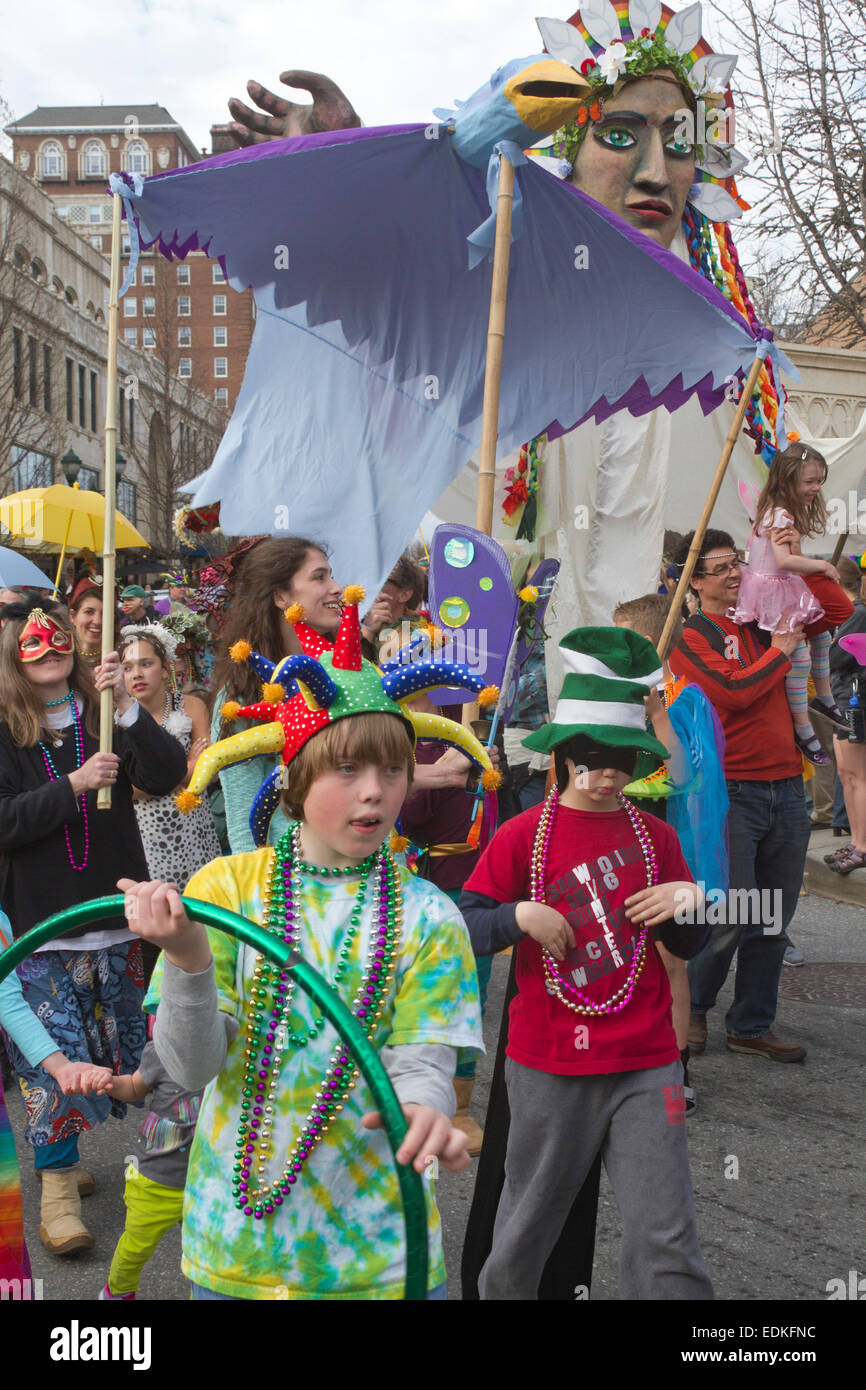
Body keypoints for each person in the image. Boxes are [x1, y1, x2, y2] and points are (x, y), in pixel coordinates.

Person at [119, 591, 488, 1299]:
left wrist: (423, 1107)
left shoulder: (429, 914)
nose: (375, 793)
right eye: (347, 769)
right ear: (294, 775)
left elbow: (423, 1059)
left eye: (392, 769)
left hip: (379, 1257)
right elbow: (192, 1071)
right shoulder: (227, 889)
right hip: (239, 1254)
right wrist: (192, 962)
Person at [459, 626, 712, 1301]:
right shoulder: (521, 835)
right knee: (527, 1224)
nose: (606, 776)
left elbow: (689, 948)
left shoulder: (655, 835)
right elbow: (466, 922)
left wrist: (692, 903)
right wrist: (519, 918)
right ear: (562, 756)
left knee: (666, 1231)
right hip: (548, 1064)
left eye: (622, 761)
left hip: (647, 1059)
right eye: (590, 760)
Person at [0, 595, 187, 1253]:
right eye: (32, 640)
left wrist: (129, 710)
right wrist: (73, 786)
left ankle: (172, 1169)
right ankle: (55, 1188)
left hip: (117, 920)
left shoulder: (105, 712)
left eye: (57, 640)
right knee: (51, 1060)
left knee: (138, 1056)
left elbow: (168, 775)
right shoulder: (2, 726)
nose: (48, 648)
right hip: (42, 929)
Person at [669, 529, 811, 1056]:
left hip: (788, 787)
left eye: (738, 562)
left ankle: (751, 1025)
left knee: (772, 915)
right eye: (721, 567)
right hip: (732, 792)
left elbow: (834, 606)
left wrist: (789, 547)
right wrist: (778, 654)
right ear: (693, 581)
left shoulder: (763, 615)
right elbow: (731, 694)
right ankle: (697, 1008)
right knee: (727, 912)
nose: (735, 573)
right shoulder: (690, 637)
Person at [613, 592, 729, 1118]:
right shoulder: (611, 695)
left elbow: (686, 777)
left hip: (666, 845)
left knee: (667, 959)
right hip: (616, 840)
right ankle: (621, 1055)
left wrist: (657, 714)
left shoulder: (686, 700)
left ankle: (675, 1068)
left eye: (624, 639)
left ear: (648, 643)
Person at [211, 537, 344, 852]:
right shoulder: (241, 697)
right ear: (281, 597)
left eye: (332, 575)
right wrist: (254, 894)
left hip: (359, 869)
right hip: (289, 881)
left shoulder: (344, 674)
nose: (337, 588)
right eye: (319, 577)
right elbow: (245, 821)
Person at [1, 911, 112, 1276]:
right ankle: (58, 1196)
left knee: (96, 1047)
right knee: (50, 1066)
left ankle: (61, 1164)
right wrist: (59, 1065)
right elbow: (8, 1001)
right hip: (29, 929)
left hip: (93, 926)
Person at [731, 443, 852, 763]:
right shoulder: (780, 513)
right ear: (788, 479)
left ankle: (824, 697)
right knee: (799, 660)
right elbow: (784, 561)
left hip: (781, 589)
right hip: (774, 595)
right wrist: (822, 566)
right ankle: (803, 728)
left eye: (819, 481)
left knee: (823, 638)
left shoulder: (774, 510)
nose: (816, 488)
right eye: (810, 481)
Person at [97, 1028, 203, 1301]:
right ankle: (117, 1293)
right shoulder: (164, 1048)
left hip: (207, 1181)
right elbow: (133, 1087)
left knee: (206, 1251)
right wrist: (108, 1082)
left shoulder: (237, 1053)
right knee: (136, 1247)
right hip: (153, 1179)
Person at [119, 624, 221, 888]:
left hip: (193, 831)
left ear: (165, 669)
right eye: (127, 667)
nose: (137, 674)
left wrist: (149, 782)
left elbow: (209, 769)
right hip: (144, 836)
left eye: (146, 663)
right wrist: (185, 770)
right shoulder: (114, 721)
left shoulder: (191, 706)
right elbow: (123, 791)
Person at [825, 557, 866, 874]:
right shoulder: (845, 615)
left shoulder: (857, 613)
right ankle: (856, 840)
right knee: (846, 776)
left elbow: (836, 657)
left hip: (856, 702)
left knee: (858, 776)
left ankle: (863, 845)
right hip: (841, 700)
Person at [67, 578, 104, 668]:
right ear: (72, 616)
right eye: (89, 612)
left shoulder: (124, 658)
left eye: (105, 614)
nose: (98, 621)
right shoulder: (60, 658)